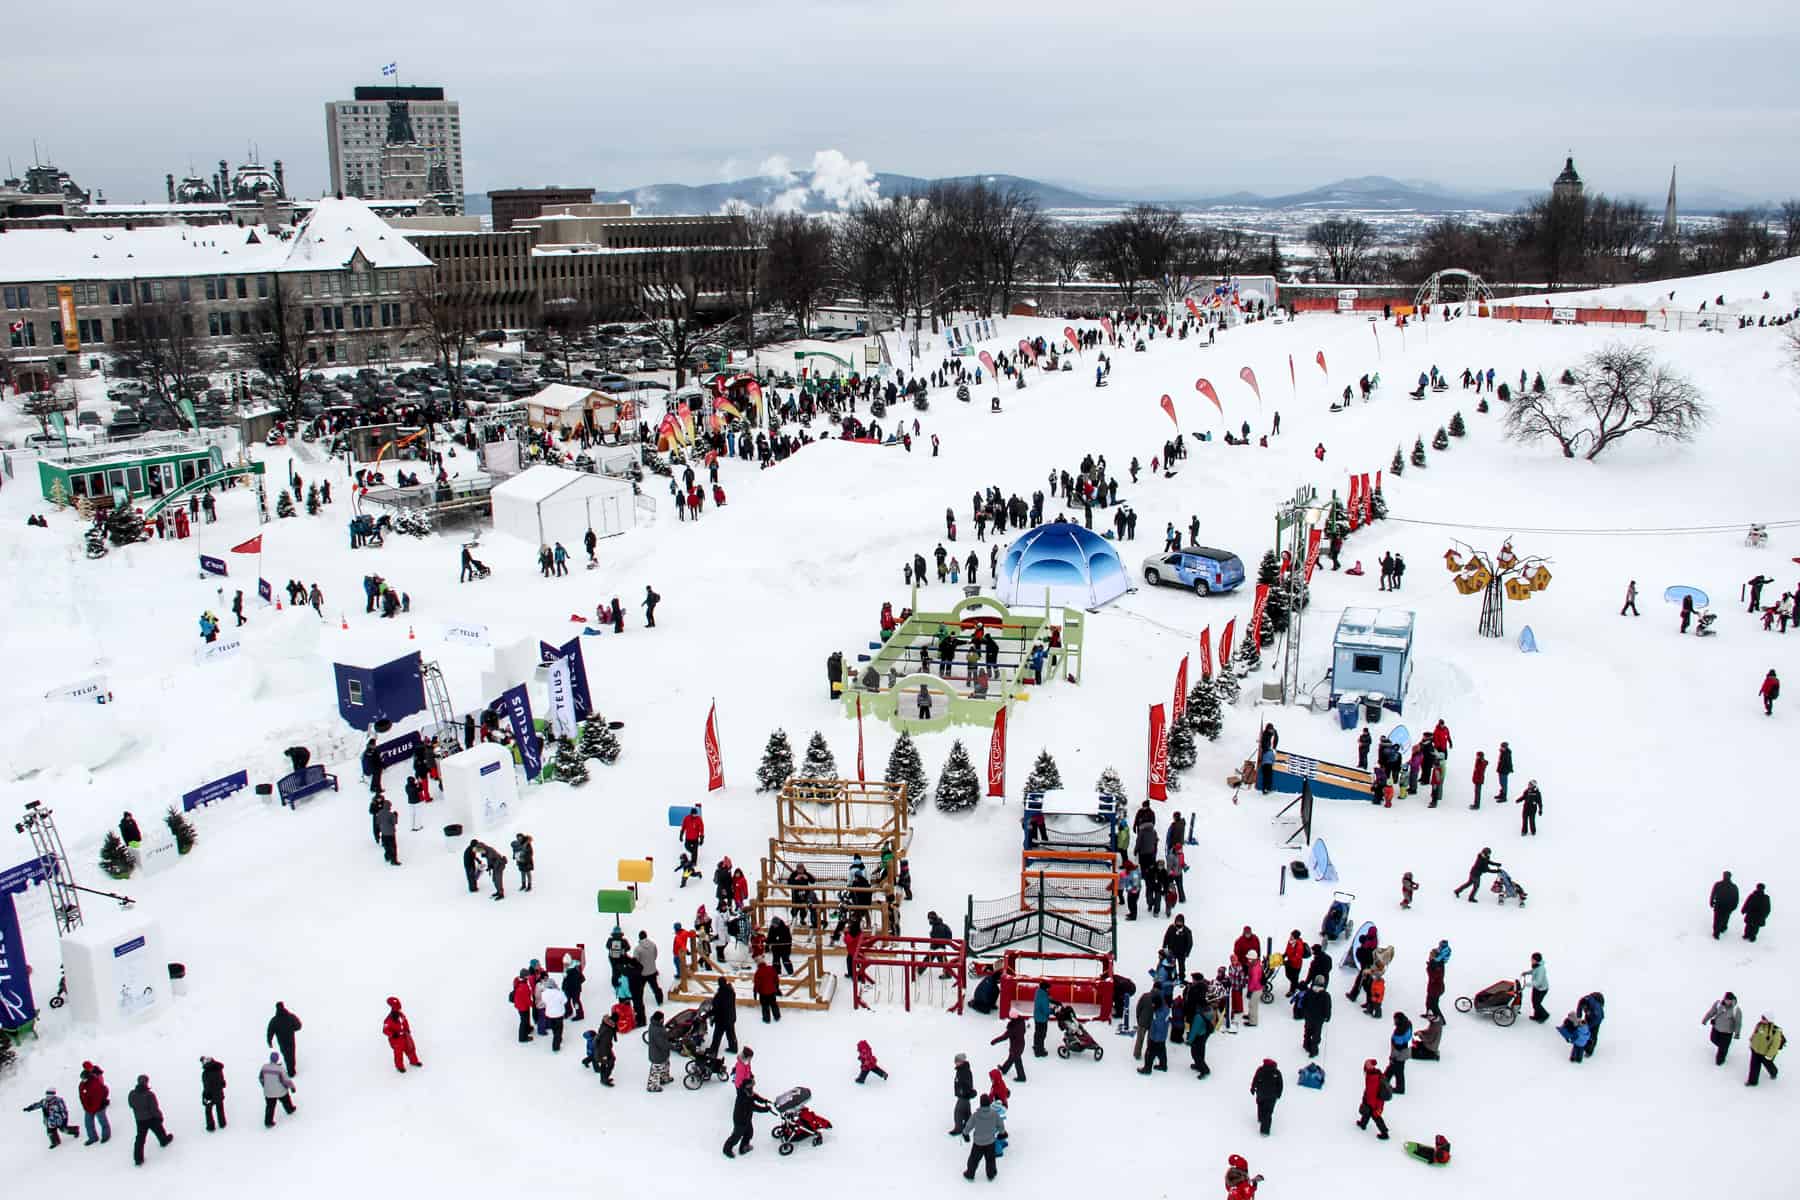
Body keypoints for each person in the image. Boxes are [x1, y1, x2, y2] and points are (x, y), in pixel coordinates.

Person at [722, 1073, 773, 1158]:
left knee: (749, 1133)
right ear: (747, 1087)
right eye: (751, 1086)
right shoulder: (743, 1097)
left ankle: (743, 1147)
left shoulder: (748, 1092)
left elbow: (755, 1096)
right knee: (736, 1136)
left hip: (747, 1118)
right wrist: (766, 1109)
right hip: (740, 1120)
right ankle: (727, 1149)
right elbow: (754, 1107)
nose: (753, 1088)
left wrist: (764, 1100)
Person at [127, 1075, 173, 1165]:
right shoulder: (149, 1095)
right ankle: (164, 1141)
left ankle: (138, 1158)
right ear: (146, 1082)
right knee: (159, 1130)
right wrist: (159, 1117)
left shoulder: (132, 1094)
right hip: (151, 1118)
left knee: (140, 1139)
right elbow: (154, 1108)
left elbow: (131, 1105)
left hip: (139, 1120)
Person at [961, 1095, 1005, 1181]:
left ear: (980, 1103)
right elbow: (1000, 1124)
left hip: (978, 1143)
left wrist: (965, 1134)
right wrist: (1002, 1132)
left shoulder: (976, 1115)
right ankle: (991, 1174)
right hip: (990, 1142)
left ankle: (970, 1173)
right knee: (990, 1159)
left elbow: (969, 1125)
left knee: (973, 1159)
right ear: (989, 1103)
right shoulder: (994, 1114)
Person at [383, 996, 422, 1073]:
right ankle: (399, 1066)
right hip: (397, 1039)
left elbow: (405, 1022)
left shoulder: (401, 1015)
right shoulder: (388, 1020)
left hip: (405, 1036)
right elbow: (385, 1030)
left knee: (411, 1049)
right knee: (398, 1053)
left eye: (398, 1009)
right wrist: (392, 1034)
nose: (398, 1011)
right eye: (396, 1010)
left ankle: (414, 1061)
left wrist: (407, 1029)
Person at [76, 1062, 112, 1145]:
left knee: (103, 1122)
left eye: (84, 1079)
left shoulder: (95, 1082)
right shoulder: (81, 1085)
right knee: (88, 1124)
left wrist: (103, 1101)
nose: (83, 1080)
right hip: (88, 1108)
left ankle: (106, 1136)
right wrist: (85, 1106)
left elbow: (104, 1091)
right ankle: (92, 1138)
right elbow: (81, 1096)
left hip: (99, 1106)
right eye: (82, 1079)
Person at [1355, 1058, 1391, 1139]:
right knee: (1367, 1112)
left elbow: (1372, 1093)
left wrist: (1370, 1103)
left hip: (1375, 1102)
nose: (1366, 1066)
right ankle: (1363, 1124)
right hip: (1375, 1100)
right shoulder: (1375, 1072)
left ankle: (1384, 1133)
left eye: (1367, 1065)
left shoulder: (1372, 1077)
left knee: (1375, 1116)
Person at [257, 1053, 297, 1127]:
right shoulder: (280, 1069)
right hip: (280, 1091)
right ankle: (290, 1109)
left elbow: (261, 1078)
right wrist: (292, 1087)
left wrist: (265, 1086)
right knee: (286, 1100)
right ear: (277, 1059)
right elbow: (286, 1081)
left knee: (270, 1106)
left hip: (268, 1092)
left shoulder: (264, 1067)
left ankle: (268, 1122)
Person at [1704, 992, 1743, 1065]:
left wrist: (1737, 1033)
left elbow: (1738, 1023)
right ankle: (1723, 1048)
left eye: (1729, 1000)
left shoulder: (1736, 1010)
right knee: (1713, 1039)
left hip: (1727, 1033)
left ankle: (1720, 1061)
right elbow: (1711, 1012)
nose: (1727, 1001)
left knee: (1722, 1049)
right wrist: (1705, 1019)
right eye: (1726, 999)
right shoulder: (1718, 1004)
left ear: (1732, 1000)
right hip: (1716, 1028)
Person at [267, 1002, 302, 1076]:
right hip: (290, 1039)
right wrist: (292, 1029)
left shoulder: (274, 1020)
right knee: (292, 1054)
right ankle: (292, 1070)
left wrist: (269, 1041)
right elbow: (299, 1026)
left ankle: (291, 1071)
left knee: (286, 1054)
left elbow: (270, 1032)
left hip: (282, 1041)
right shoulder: (290, 1016)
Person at [1747, 1016, 1784, 1086]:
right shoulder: (1759, 1025)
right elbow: (1754, 1034)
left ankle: (1774, 1072)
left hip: (1765, 1053)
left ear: (1769, 1019)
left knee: (1768, 1065)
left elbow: (1775, 1045)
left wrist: (1769, 1055)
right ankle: (1752, 1082)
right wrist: (1752, 1043)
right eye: (1762, 1018)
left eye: (1764, 1018)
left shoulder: (1775, 1031)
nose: (1762, 1019)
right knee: (1754, 1066)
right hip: (1755, 1050)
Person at [1250, 1058, 1283, 1135]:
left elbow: (1255, 1079)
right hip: (1272, 1096)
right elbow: (1280, 1084)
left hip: (1261, 1093)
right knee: (1268, 1112)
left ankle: (1261, 1118)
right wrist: (1279, 1094)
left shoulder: (1260, 1070)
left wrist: (1253, 1088)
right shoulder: (1277, 1072)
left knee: (1260, 1106)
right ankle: (1265, 1130)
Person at [992, 1014, 1029, 1082]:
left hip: (1015, 1047)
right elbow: (1024, 1031)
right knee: (1011, 1058)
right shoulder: (1021, 1022)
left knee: (1017, 1062)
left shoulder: (1012, 1028)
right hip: (1021, 1045)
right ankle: (1004, 1069)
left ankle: (1021, 1077)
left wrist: (994, 1041)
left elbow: (1004, 1037)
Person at [1301, 978, 1332, 1057]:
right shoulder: (1326, 995)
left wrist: (1305, 1013)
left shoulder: (1308, 992)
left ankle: (1306, 1044)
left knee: (1307, 1031)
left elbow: (1304, 1003)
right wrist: (1327, 1016)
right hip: (1319, 1019)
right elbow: (1327, 1007)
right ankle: (1313, 1050)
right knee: (1316, 1035)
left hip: (1309, 1017)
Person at [709, 979, 740, 1056]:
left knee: (717, 1036)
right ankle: (733, 1048)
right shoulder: (731, 992)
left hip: (721, 1020)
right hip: (731, 1017)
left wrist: (708, 1014)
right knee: (731, 1034)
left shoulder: (719, 995)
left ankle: (713, 1051)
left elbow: (716, 1008)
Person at [950, 1053, 977, 1135]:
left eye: (957, 1061)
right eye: (955, 1061)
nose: (955, 1063)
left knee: (958, 1112)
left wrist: (964, 1092)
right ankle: (970, 1124)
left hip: (964, 1095)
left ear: (961, 1061)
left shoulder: (964, 1071)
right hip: (964, 1095)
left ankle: (958, 1129)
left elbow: (967, 1084)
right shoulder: (961, 1069)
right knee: (966, 1111)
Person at [1386, 1013, 1413, 1095]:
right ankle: (1385, 1080)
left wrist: (1392, 1057)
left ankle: (1400, 1088)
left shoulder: (1399, 1032)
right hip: (1405, 1050)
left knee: (1398, 1070)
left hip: (1399, 1054)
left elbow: (1398, 1047)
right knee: (1394, 1068)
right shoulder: (1408, 1024)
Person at [1710, 871, 1741, 939]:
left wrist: (1711, 902)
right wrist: (1734, 907)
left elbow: (1713, 894)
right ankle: (1722, 928)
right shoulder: (1734, 886)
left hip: (1719, 905)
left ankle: (1716, 932)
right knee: (1725, 918)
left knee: (1717, 919)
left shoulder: (1718, 884)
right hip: (1728, 907)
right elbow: (1736, 898)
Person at [1032, 980, 1053, 1057]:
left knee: (1037, 1033)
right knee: (1042, 1035)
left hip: (1037, 1016)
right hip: (1042, 1019)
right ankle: (1039, 1051)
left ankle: (1035, 1046)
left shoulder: (1039, 992)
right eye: (1048, 988)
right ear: (1045, 988)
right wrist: (1053, 1011)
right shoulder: (1043, 997)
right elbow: (1046, 1010)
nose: (1049, 990)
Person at [1527, 953, 1551, 1022]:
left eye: (1532, 959)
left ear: (1536, 960)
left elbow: (1538, 982)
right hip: (1536, 988)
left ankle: (1545, 1015)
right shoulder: (1537, 965)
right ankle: (1537, 1016)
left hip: (1542, 989)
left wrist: (1528, 984)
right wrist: (1527, 972)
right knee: (1534, 1002)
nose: (1531, 960)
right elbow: (1534, 971)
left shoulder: (1541, 969)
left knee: (1537, 1003)